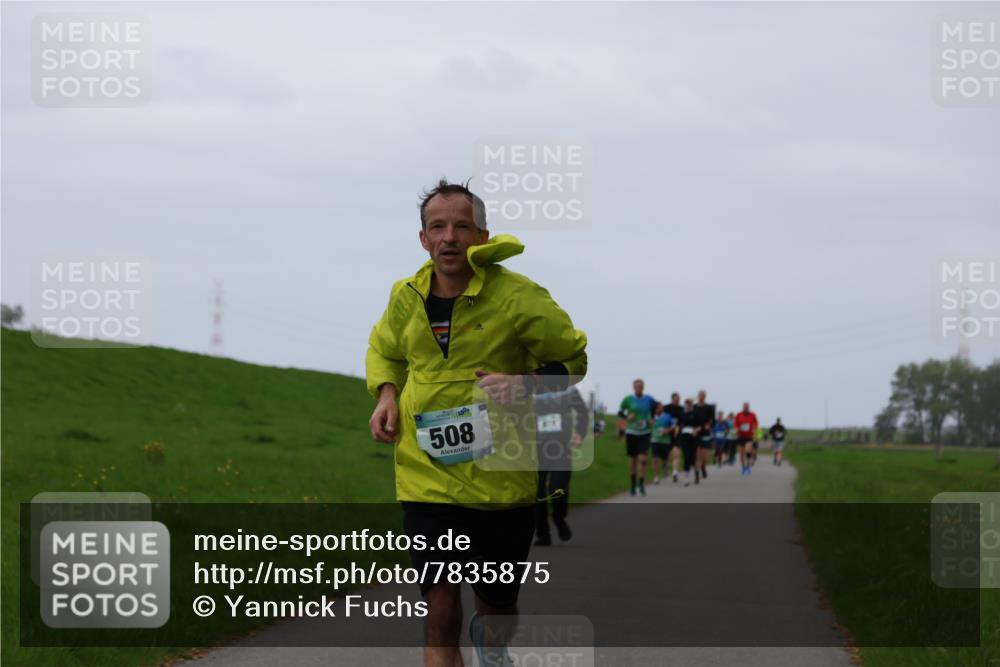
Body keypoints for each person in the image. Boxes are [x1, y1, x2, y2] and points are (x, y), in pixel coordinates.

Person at [366, 179, 588, 667]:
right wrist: (386, 394)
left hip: (500, 481)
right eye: (437, 227)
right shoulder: (405, 295)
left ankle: (493, 649)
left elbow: (574, 362)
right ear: (423, 238)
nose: (449, 237)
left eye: (462, 227)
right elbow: (385, 350)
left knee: (496, 606)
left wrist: (525, 383)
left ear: (482, 236)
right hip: (427, 476)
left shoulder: (519, 296)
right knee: (439, 600)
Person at [533, 385, 589, 546]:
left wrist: (579, 433)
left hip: (561, 448)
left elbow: (583, 412)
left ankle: (559, 518)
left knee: (557, 487)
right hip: (535, 449)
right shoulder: (527, 387)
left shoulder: (568, 389)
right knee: (537, 492)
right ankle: (543, 534)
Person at [677, 397, 702, 486]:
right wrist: (677, 430)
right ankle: (686, 478)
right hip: (684, 438)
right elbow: (679, 424)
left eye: (689, 403)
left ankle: (696, 473)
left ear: (692, 404)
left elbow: (700, 426)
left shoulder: (696, 413)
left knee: (693, 457)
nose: (688, 404)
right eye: (686, 403)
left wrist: (696, 430)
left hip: (693, 438)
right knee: (686, 457)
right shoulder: (681, 413)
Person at [693, 390, 716, 480]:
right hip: (695, 434)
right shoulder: (694, 407)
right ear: (698, 396)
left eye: (703, 395)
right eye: (700, 395)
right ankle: (696, 473)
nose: (701, 397)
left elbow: (713, 421)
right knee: (697, 455)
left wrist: (709, 426)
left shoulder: (709, 407)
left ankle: (703, 467)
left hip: (705, 434)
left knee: (704, 456)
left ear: (705, 397)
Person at [650, 402, 675, 485]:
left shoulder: (668, 416)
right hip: (655, 440)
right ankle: (656, 477)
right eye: (658, 407)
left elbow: (673, 425)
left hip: (665, 441)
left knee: (665, 459)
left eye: (661, 407)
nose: (660, 409)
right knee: (655, 459)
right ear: (655, 409)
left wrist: (667, 430)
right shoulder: (652, 417)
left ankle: (666, 467)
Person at [663, 393, 685, 482]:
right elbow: (661, 419)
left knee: (676, 453)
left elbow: (683, 422)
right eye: (676, 399)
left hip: (677, 434)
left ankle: (675, 472)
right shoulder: (666, 408)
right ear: (672, 399)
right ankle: (666, 465)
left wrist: (679, 427)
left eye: (678, 399)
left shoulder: (682, 409)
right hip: (666, 433)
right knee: (667, 454)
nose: (677, 400)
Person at [733, 402, 759, 475]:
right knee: (742, 453)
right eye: (745, 407)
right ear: (743, 407)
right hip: (741, 436)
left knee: (748, 451)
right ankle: (743, 467)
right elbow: (735, 423)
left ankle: (748, 466)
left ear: (749, 407)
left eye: (747, 407)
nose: (746, 408)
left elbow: (756, 423)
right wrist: (736, 429)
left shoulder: (752, 415)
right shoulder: (739, 414)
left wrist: (754, 428)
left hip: (749, 436)